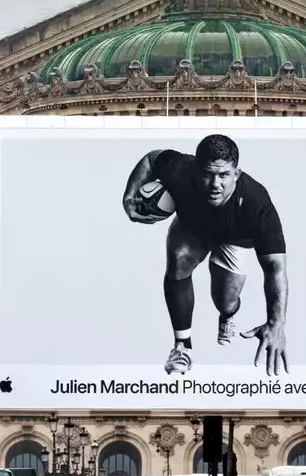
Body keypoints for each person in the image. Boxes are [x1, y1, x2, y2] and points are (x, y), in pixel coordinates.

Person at [123, 134, 289, 376]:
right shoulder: (181, 168)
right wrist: (129, 195)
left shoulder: (257, 204)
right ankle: (182, 347)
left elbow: (276, 268)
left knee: (225, 300)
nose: (215, 184)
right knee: (178, 258)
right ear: (196, 170)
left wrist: (276, 323)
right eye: (207, 174)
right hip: (193, 228)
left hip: (235, 239)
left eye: (223, 175)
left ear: (236, 173)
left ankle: (227, 315)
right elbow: (151, 159)